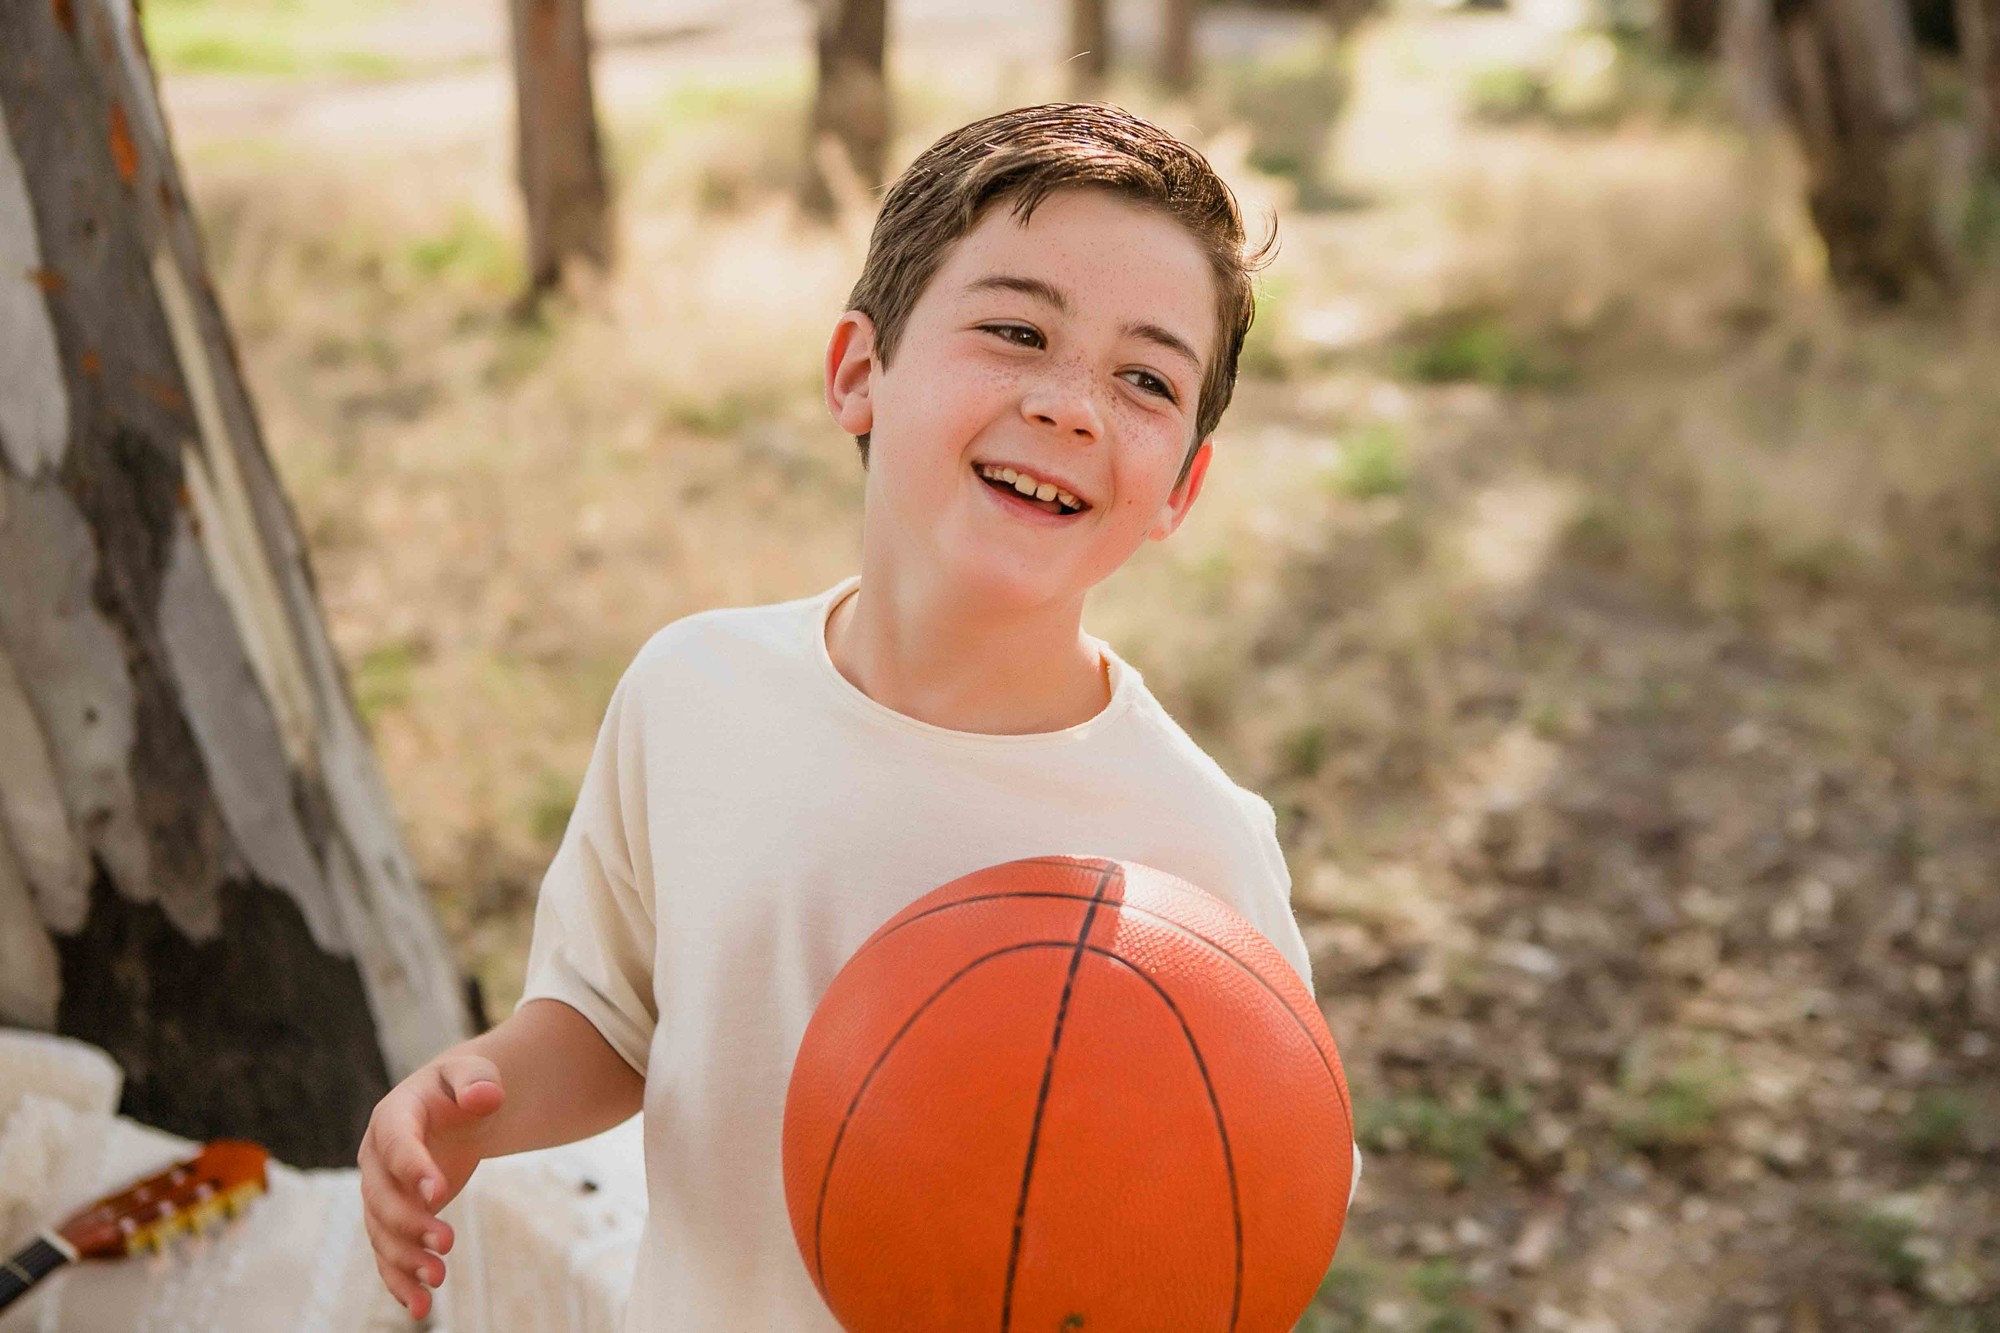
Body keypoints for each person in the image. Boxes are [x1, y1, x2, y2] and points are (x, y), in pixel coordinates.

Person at [357, 99, 1358, 1329]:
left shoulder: (1192, 851)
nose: (1069, 404)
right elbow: (610, 1020)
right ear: (856, 373)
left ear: (1179, 490)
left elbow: (1252, 1193)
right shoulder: (694, 696)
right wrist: (468, 1097)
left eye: (1144, 378)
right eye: (1014, 328)